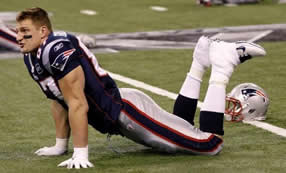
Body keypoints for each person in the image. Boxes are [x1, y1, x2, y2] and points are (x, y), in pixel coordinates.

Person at [15, 7, 266, 169]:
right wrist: (61, 145)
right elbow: (59, 100)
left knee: (211, 144)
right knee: (182, 126)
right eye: (17, 31)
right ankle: (200, 60)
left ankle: (223, 65)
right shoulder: (33, 54)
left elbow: (77, 103)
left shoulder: (55, 48)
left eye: (25, 30)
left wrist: (81, 153)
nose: (18, 36)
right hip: (123, 109)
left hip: (128, 113)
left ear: (43, 30)